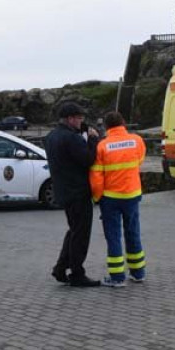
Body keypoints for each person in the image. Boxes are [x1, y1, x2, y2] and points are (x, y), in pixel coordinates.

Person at [46, 102, 101, 287]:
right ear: (70, 119)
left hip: (63, 191)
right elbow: (88, 159)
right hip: (78, 192)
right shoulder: (71, 138)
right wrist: (93, 139)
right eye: (79, 117)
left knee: (74, 230)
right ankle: (77, 273)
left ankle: (60, 268)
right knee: (81, 234)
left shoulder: (52, 136)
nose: (81, 121)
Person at [90, 112, 146, 287]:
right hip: (132, 195)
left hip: (111, 198)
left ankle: (117, 277)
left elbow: (96, 176)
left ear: (106, 127)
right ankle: (138, 273)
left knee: (114, 237)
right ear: (123, 123)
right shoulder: (136, 140)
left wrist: (97, 197)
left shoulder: (102, 146)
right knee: (133, 233)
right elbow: (139, 161)